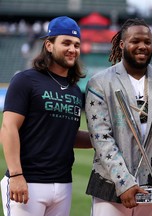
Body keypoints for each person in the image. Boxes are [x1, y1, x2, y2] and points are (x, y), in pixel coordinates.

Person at [85, 18, 152, 216]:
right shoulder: (99, 83)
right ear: (122, 44)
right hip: (110, 185)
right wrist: (124, 182)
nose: (142, 46)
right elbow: (101, 138)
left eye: (147, 42)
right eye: (135, 41)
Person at [0, 16, 91, 216]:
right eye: (66, 43)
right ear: (49, 45)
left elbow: (68, 135)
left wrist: (103, 139)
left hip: (63, 184)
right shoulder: (25, 80)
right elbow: (8, 128)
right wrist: (16, 175)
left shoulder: (75, 90)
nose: (72, 49)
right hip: (28, 181)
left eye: (76, 44)